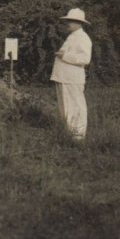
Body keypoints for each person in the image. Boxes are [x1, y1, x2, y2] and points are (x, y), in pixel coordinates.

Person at [50, 8, 92, 141]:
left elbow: (85, 58)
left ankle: (78, 135)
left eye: (72, 21)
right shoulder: (72, 36)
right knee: (66, 107)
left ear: (80, 23)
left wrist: (65, 55)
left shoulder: (83, 38)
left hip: (72, 78)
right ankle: (69, 134)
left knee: (76, 106)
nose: (69, 23)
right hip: (64, 77)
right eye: (68, 20)